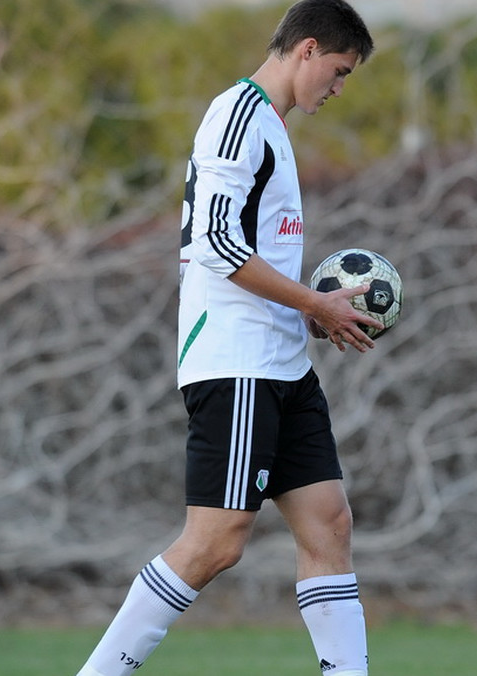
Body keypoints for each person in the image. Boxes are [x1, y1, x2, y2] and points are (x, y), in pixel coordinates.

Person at [75, 2, 378, 675]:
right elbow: (216, 244)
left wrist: (306, 312)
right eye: (337, 71)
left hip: (282, 362)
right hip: (238, 363)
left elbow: (249, 248)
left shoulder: (271, 127)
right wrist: (314, 303)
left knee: (329, 525)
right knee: (215, 542)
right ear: (306, 50)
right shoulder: (237, 116)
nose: (336, 88)